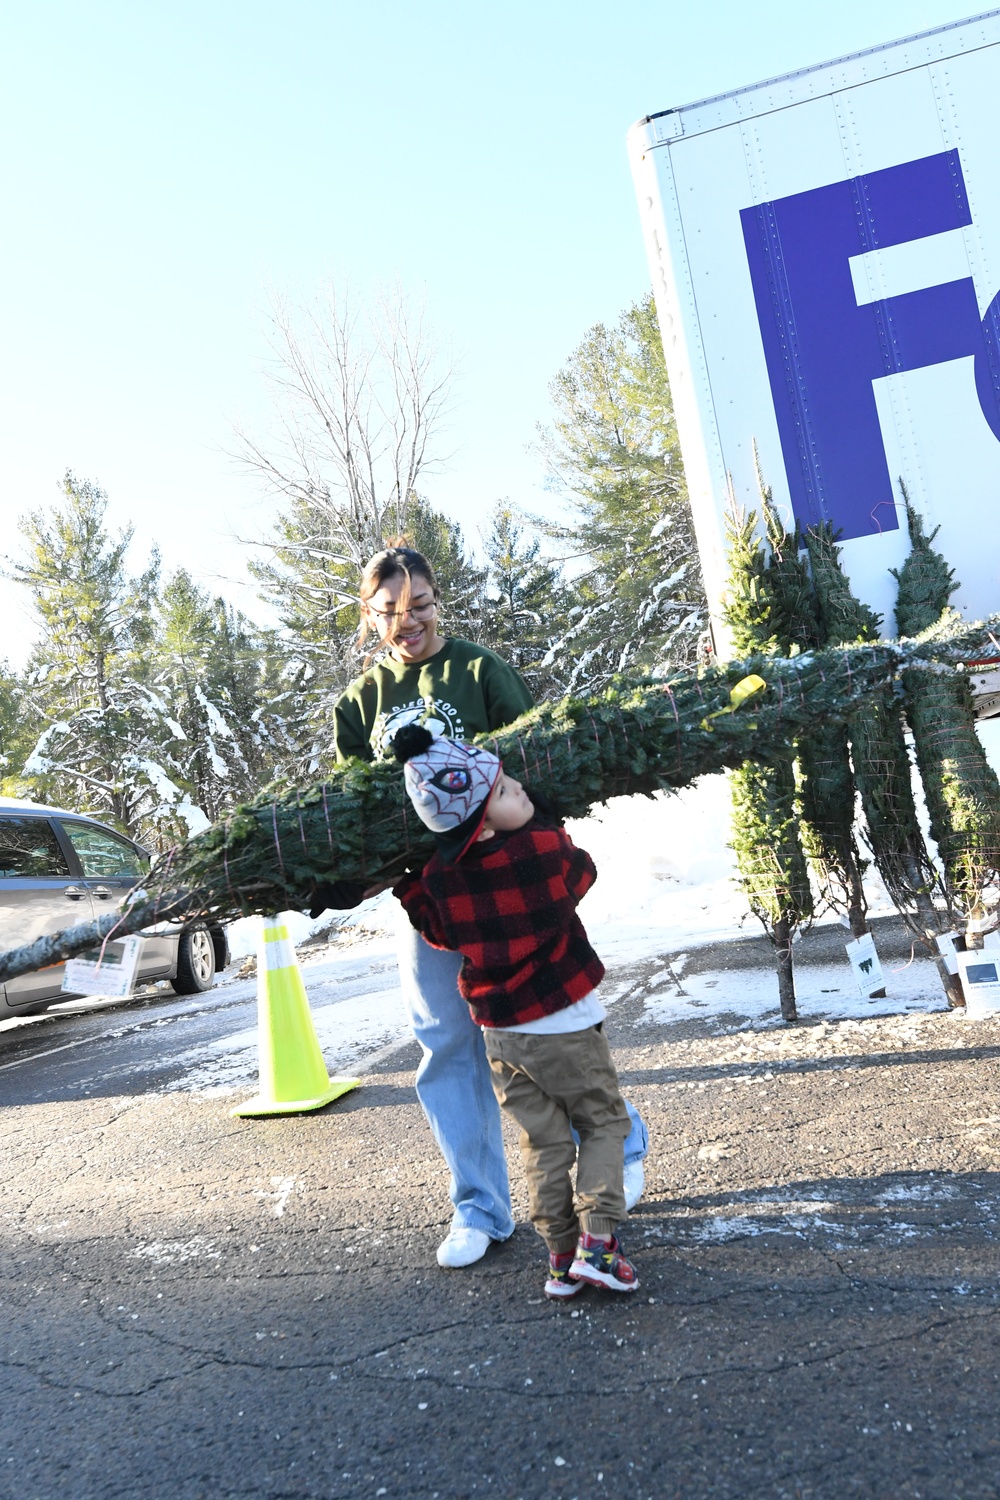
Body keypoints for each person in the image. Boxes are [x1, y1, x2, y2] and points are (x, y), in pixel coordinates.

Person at [330, 542, 648, 1270]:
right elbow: (357, 816)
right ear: (368, 614)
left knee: (554, 1034)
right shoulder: (358, 706)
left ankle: (619, 1142)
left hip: (508, 893)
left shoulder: (478, 670)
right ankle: (478, 1206)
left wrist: (534, 859)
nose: (407, 624)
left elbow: (538, 764)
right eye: (390, 613)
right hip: (433, 900)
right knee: (446, 1042)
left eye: (421, 608)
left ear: (439, 602)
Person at [390, 724, 639, 1299]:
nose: (520, 789)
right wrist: (552, 828)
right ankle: (599, 1243)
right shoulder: (544, 852)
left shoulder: (441, 881)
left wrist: (409, 886)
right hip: (567, 1023)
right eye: (502, 791)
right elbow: (584, 873)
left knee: (544, 1144)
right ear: (477, 823)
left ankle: (559, 1258)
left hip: (502, 1038)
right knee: (601, 1123)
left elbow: (431, 925)